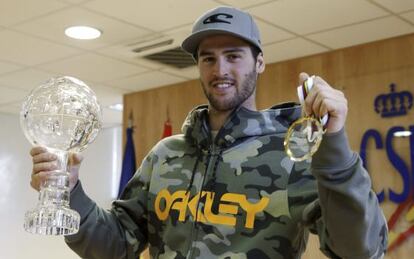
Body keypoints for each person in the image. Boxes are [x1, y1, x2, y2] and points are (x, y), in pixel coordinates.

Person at [30, 6, 388, 259]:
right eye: (208, 58)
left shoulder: (292, 154)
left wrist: (336, 147)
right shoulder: (165, 154)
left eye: (234, 56)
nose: (221, 70)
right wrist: (70, 191)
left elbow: (360, 251)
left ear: (259, 62)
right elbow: (114, 247)